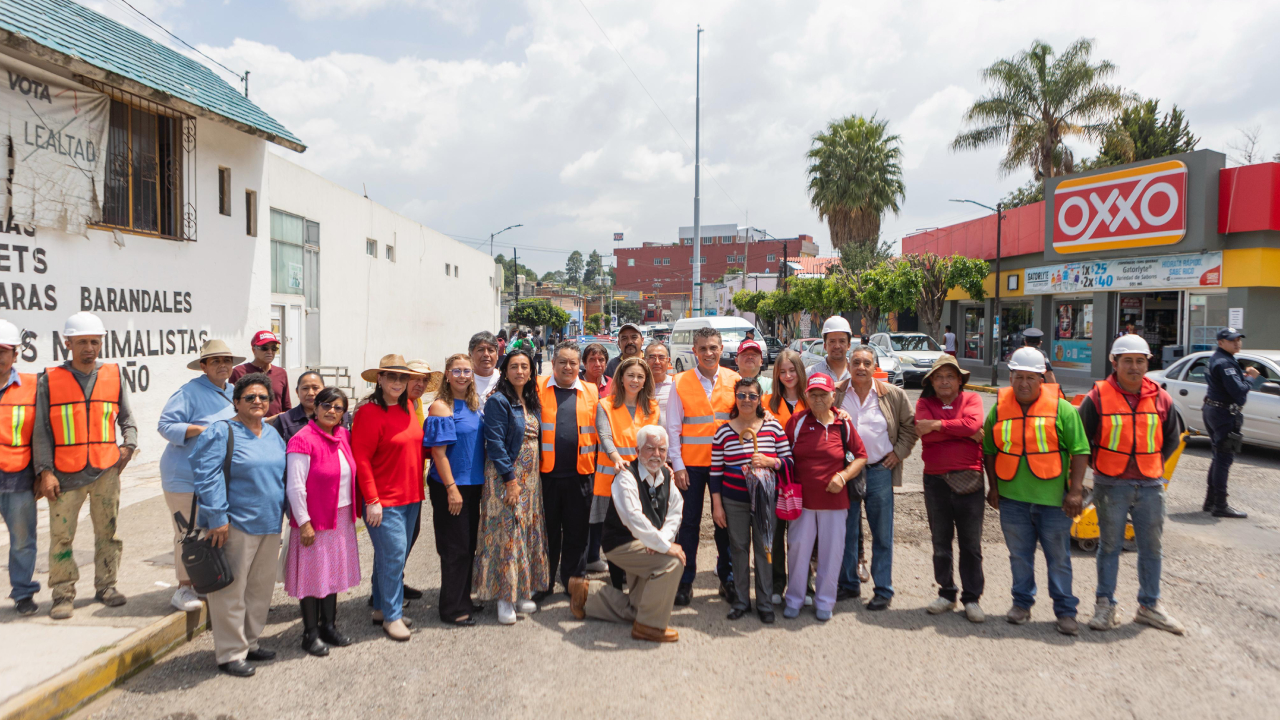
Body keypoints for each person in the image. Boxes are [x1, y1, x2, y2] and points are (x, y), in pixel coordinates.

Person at [1078, 335, 1186, 634]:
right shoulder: (1097, 397)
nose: (1135, 367)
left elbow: (1172, 438)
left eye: (1140, 361)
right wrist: (1101, 466)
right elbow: (1081, 440)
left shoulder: (1161, 398)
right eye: (1128, 361)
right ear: (1114, 362)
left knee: (1151, 548)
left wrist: (1150, 467)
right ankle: (1105, 606)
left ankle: (1149, 607)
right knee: (1109, 546)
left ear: (1147, 362)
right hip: (1111, 485)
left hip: (1150, 486)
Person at [35, 312, 137, 620]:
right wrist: (45, 471)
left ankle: (106, 586)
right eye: (82, 342)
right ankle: (62, 593)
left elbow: (127, 418)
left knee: (108, 533)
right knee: (61, 537)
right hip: (65, 475)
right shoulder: (49, 380)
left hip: (106, 471)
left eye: (94, 341)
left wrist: (128, 445)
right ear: (67, 343)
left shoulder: (114, 374)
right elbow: (40, 431)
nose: (89, 348)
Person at [982, 347, 1089, 635]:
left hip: (1054, 501)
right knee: (1019, 555)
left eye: (1031, 377)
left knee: (1059, 557)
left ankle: (1065, 612)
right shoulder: (999, 409)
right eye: (1018, 377)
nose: (1024, 383)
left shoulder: (1063, 409)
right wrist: (993, 486)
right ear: (1011, 376)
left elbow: (1080, 451)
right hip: (1013, 499)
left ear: (1042, 379)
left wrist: (1076, 491)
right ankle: (1021, 604)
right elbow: (989, 451)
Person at [189, 373, 287, 677]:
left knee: (260, 588)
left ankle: (250, 642)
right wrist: (217, 517)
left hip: (270, 524)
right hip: (234, 525)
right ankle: (230, 653)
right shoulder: (222, 432)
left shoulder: (272, 434)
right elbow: (207, 474)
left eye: (263, 397)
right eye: (250, 397)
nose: (257, 402)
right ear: (236, 402)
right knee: (230, 591)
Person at [569, 426, 686, 642]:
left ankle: (587, 594)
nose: (656, 454)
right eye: (650, 448)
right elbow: (633, 518)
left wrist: (662, 541)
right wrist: (663, 546)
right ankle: (649, 627)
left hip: (647, 543)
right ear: (637, 449)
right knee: (672, 562)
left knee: (639, 608)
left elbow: (675, 512)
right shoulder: (626, 477)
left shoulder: (666, 478)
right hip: (621, 545)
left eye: (661, 449)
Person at [157, 339, 240, 613]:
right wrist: (201, 430)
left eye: (226, 360)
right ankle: (184, 588)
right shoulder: (189, 391)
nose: (222, 365)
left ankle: (203, 580)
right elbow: (166, 425)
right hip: (184, 475)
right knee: (188, 531)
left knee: (207, 530)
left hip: (215, 476)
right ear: (203, 366)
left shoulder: (233, 391)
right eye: (215, 361)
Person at [835, 344, 917, 610]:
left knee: (882, 533)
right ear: (848, 366)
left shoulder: (892, 395)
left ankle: (883, 589)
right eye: (855, 362)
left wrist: (899, 453)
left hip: (880, 470)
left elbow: (910, 427)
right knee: (847, 532)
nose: (860, 367)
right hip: (847, 472)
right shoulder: (835, 393)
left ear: (874, 367)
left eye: (866, 363)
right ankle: (848, 585)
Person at [351, 355, 427, 642]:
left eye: (402, 378)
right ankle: (392, 617)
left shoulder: (409, 406)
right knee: (394, 556)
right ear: (379, 379)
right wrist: (372, 499)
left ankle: (382, 608)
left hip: (411, 496)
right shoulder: (368, 413)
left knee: (390, 556)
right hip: (383, 500)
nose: (397, 382)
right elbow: (362, 459)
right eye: (391, 377)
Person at [665, 326, 741, 606]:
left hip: (725, 465)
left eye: (713, 348)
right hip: (692, 466)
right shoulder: (680, 381)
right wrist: (679, 465)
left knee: (726, 524)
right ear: (693, 351)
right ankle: (685, 582)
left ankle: (728, 579)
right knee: (689, 524)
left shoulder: (735, 380)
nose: (708, 353)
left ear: (721, 349)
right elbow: (674, 428)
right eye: (703, 348)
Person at [782, 373, 867, 620]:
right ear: (806, 396)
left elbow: (860, 456)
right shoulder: (797, 421)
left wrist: (842, 476)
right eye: (813, 394)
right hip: (802, 501)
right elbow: (784, 453)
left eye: (823, 394)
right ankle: (795, 598)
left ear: (833, 396)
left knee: (832, 551)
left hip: (835, 501)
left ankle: (825, 601)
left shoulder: (844, 423)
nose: (818, 399)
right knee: (798, 550)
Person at [474, 349, 548, 624]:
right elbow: (493, 443)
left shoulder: (530, 400)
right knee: (506, 535)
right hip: (506, 477)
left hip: (530, 479)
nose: (519, 371)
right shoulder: (498, 401)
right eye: (514, 366)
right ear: (505, 371)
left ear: (531, 372)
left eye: (524, 367)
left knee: (525, 533)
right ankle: (503, 598)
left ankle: (519, 591)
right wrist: (511, 480)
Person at [284, 387, 360, 657]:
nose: (332, 411)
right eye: (326, 405)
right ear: (315, 408)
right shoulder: (302, 439)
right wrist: (304, 522)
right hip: (314, 519)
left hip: (340, 515)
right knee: (312, 577)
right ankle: (310, 633)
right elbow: (295, 487)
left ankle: (329, 626)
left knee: (333, 574)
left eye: (338, 408)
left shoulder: (342, 435)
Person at [711, 377, 791, 622]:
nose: (747, 400)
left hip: (766, 499)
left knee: (765, 549)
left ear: (759, 399)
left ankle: (765, 603)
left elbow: (789, 461)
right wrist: (717, 506)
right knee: (738, 548)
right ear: (735, 398)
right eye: (742, 395)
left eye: (752, 396)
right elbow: (715, 472)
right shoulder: (723, 431)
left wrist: (770, 462)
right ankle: (741, 601)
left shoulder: (773, 427)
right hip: (733, 500)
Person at [915, 355, 986, 623]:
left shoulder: (972, 400)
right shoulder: (924, 402)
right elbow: (925, 434)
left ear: (959, 380)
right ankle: (946, 592)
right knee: (940, 541)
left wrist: (937, 425)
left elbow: (974, 425)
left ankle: (972, 598)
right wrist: (963, 431)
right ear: (931, 381)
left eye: (950, 376)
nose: (944, 381)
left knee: (971, 544)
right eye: (939, 377)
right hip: (935, 481)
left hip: (969, 479)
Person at [533, 342, 600, 603]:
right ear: (553, 363)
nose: (568, 367)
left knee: (577, 531)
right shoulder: (537, 387)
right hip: (546, 475)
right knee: (547, 533)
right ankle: (544, 581)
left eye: (573, 363)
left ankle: (573, 580)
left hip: (581, 475)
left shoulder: (591, 390)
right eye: (563, 362)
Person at [424, 354, 485, 626]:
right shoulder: (441, 407)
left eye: (467, 371)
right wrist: (451, 488)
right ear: (447, 375)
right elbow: (438, 453)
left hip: (473, 486)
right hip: (452, 486)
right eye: (456, 371)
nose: (462, 376)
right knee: (454, 549)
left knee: (468, 546)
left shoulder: (474, 405)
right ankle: (451, 609)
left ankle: (464, 599)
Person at [588, 358, 659, 583]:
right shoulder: (605, 405)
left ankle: (634, 574)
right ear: (621, 377)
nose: (635, 380)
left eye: (640, 376)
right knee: (613, 532)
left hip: (642, 480)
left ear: (646, 380)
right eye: (630, 375)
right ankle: (616, 580)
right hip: (612, 477)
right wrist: (616, 457)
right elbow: (605, 435)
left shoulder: (652, 407)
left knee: (637, 528)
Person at [0, 320, 39, 616]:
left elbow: (42, 432)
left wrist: (44, 472)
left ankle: (23, 593)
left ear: (15, 354)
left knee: (23, 540)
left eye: (4, 350)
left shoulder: (32, 387)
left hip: (17, 477)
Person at [1200, 327, 1260, 518]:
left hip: (1213, 409)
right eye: (1232, 340)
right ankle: (1220, 505)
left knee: (1218, 457)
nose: (1237, 343)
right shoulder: (1225, 362)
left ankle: (1210, 502)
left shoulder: (1219, 359)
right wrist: (1251, 378)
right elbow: (1239, 392)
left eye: (1239, 339)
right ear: (1221, 342)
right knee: (1224, 459)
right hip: (1223, 414)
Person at [763, 348, 807, 603]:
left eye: (792, 370)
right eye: (783, 371)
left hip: (804, 476)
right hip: (776, 476)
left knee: (803, 536)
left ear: (800, 372)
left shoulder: (812, 399)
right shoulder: (767, 402)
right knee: (776, 533)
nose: (788, 376)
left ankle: (804, 584)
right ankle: (777, 583)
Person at [401, 359, 443, 602]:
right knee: (394, 542)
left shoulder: (416, 403)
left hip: (414, 481)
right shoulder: (394, 405)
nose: (420, 383)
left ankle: (395, 580)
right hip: (394, 486)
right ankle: (383, 592)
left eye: (424, 379)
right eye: (415, 378)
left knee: (410, 534)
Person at [230, 331, 291, 419]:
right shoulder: (239, 372)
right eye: (264, 348)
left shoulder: (281, 373)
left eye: (274, 348)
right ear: (254, 350)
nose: (270, 352)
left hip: (276, 427)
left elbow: (286, 406)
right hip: (247, 426)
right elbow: (233, 405)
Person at [271, 372, 326, 442]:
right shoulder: (285, 420)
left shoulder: (337, 416)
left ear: (324, 390)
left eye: (315, 388)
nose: (311, 393)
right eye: (305, 388)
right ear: (297, 392)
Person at [645, 342, 675, 424]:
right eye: (652, 357)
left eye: (661, 357)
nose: (657, 362)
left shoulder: (676, 385)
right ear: (645, 360)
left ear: (668, 360)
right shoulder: (639, 386)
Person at [469, 332, 501, 404]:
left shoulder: (504, 381)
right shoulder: (462, 380)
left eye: (491, 350)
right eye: (480, 350)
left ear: (497, 355)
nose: (486, 354)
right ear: (470, 355)